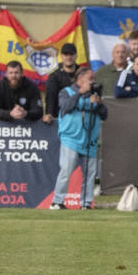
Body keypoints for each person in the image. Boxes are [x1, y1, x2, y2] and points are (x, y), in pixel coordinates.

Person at [50, 67, 106, 210]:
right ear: (80, 78)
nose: (93, 82)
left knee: (90, 174)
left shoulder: (94, 94)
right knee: (66, 171)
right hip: (71, 138)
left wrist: (98, 104)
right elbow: (65, 106)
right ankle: (57, 202)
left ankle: (86, 203)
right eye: (90, 78)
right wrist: (80, 93)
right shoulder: (66, 92)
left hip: (90, 141)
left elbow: (105, 114)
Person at [42, 43, 80, 124]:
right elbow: (50, 98)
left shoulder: (83, 73)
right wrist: (49, 114)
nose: (69, 57)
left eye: (71, 54)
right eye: (66, 54)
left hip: (80, 118)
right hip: (61, 119)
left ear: (76, 55)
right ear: (61, 56)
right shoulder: (54, 76)